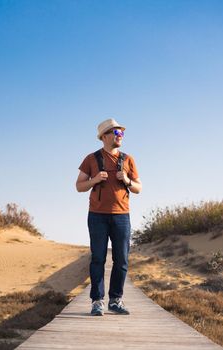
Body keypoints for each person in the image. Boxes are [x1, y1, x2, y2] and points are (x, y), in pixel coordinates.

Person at [76, 118, 142, 316]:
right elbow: (79, 185)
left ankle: (115, 300)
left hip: (122, 216)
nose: (120, 135)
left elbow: (139, 188)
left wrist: (128, 180)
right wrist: (95, 179)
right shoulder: (91, 158)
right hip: (97, 216)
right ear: (104, 136)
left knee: (121, 259)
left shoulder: (128, 159)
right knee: (98, 259)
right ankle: (97, 301)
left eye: (121, 132)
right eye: (116, 132)